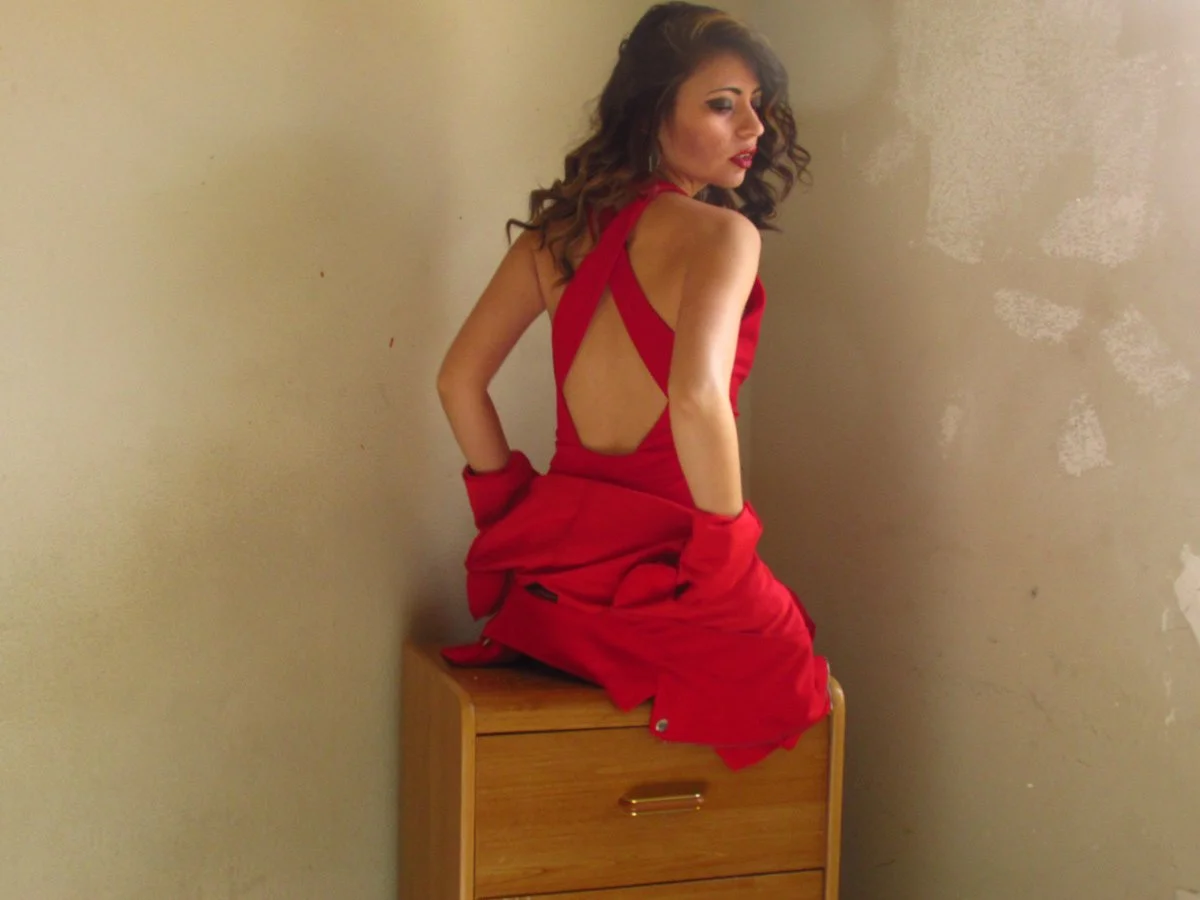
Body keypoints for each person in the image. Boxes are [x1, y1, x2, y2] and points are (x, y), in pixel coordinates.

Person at [435, 1, 830, 769]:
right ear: (655, 112)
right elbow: (696, 398)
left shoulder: (554, 238)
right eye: (723, 105)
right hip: (672, 582)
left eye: (756, 105)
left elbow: (457, 382)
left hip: (554, 591)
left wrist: (513, 514)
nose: (753, 128)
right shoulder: (724, 234)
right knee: (797, 679)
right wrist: (726, 565)